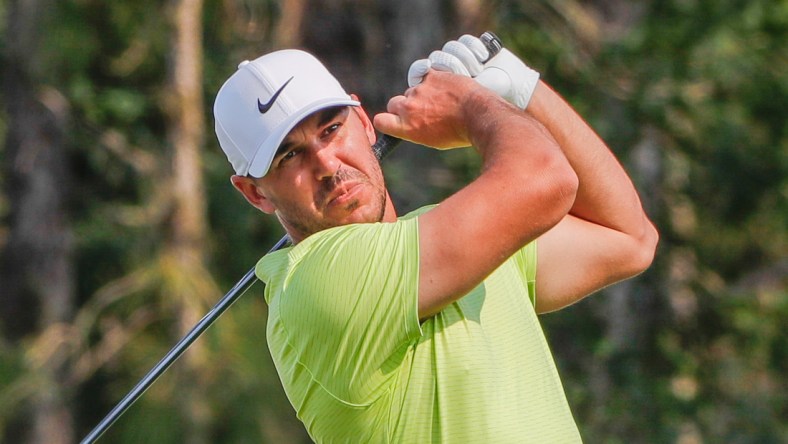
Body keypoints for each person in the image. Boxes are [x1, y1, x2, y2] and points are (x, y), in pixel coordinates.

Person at [213, 34, 658, 443]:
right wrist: (472, 106)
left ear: (364, 123)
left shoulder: (455, 235)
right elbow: (546, 179)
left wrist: (523, 90)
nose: (327, 164)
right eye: (289, 155)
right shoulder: (313, 283)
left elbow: (627, 237)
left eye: (331, 129)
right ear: (254, 192)